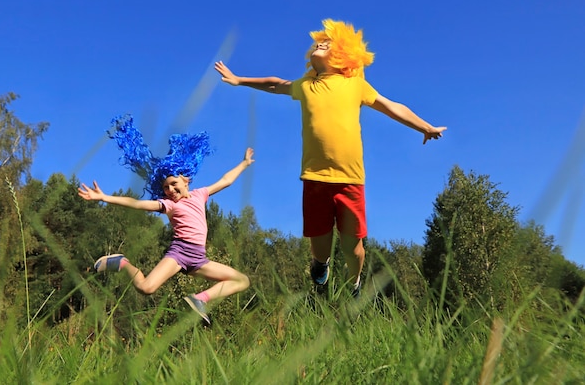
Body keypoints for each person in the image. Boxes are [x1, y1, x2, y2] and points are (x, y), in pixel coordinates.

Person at [214, 19, 446, 297]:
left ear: (344, 56)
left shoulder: (355, 85)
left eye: (328, 44)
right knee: (320, 242)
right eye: (318, 43)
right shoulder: (307, 86)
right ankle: (320, 265)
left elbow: (392, 106)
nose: (320, 45)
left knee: (352, 246)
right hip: (315, 177)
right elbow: (275, 84)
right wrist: (239, 80)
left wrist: (425, 127)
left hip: (350, 179)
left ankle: (355, 280)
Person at [78, 114, 254, 325]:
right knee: (146, 288)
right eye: (165, 187)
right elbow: (137, 204)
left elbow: (226, 180)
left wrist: (243, 164)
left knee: (241, 280)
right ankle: (122, 263)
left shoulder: (201, 194)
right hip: (179, 253)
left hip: (198, 258)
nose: (170, 190)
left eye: (173, 184)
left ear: (186, 180)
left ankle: (199, 300)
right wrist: (105, 197)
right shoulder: (169, 205)